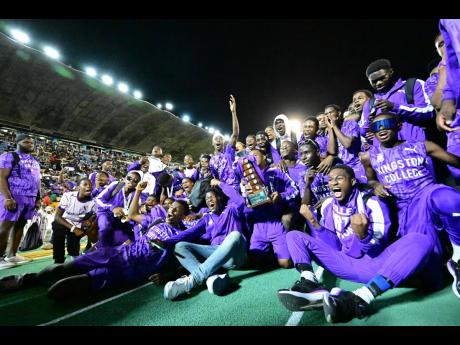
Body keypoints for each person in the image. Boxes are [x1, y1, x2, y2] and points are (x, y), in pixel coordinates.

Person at [316, 112, 460, 323]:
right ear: (371, 132)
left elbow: (456, 162)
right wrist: (377, 186)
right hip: (406, 213)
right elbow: (371, 181)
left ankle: (458, 255)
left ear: (398, 125)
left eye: (387, 123)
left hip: (427, 195)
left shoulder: (422, 146)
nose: (382, 128)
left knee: (447, 197)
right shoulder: (369, 156)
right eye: (376, 126)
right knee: (432, 280)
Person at [0, 187, 192, 299]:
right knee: (63, 268)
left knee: (57, 291)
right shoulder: (155, 221)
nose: (171, 211)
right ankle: (24, 280)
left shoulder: (183, 235)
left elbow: (185, 262)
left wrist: (167, 275)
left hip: (127, 270)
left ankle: (40, 284)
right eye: (171, 207)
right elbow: (132, 215)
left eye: (177, 210)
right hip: (114, 253)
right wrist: (138, 191)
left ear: (184, 215)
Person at [277, 165, 394, 318]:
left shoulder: (372, 203)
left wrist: (363, 236)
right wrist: (314, 222)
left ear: (352, 181)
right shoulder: (328, 205)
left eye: (339, 178)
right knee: (293, 236)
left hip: (368, 266)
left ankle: (351, 299)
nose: (334, 183)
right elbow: (335, 246)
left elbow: (376, 251)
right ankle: (310, 282)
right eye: (330, 180)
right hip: (343, 263)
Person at [162, 179, 247, 300]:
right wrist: (165, 242)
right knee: (180, 246)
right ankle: (211, 279)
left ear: (220, 198)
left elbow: (240, 200)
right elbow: (189, 233)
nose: (209, 201)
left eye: (212, 197)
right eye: (207, 199)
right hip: (216, 254)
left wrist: (220, 184)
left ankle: (191, 281)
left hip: (235, 256)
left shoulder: (231, 209)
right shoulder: (207, 218)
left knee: (235, 235)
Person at [237, 149, 298, 268]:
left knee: (285, 263)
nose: (252, 158)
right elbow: (246, 204)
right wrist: (247, 195)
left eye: (255, 155)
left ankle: (284, 250)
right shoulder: (246, 180)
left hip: (275, 223)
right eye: (249, 156)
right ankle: (273, 252)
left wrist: (281, 196)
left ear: (264, 156)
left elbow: (295, 190)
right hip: (259, 226)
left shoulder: (276, 172)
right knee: (256, 262)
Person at [361, 58, 434, 146]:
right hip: (386, 156)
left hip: (414, 149)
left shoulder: (413, 85)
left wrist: (395, 107)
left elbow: (429, 111)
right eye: (374, 81)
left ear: (391, 71)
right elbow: (363, 132)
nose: (378, 83)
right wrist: (370, 122)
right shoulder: (370, 103)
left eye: (382, 78)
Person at [0, 134, 41, 268]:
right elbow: (1, 177)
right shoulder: (9, 156)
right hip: (14, 196)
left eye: (31, 143)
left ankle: (12, 254)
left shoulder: (34, 160)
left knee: (20, 226)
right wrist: (7, 197)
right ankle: (0, 258)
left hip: (29, 198)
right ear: (17, 143)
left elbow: (37, 181)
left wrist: (38, 198)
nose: (30, 144)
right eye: (26, 142)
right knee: (5, 227)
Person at [426, 32, 460, 185]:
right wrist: (446, 69)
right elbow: (438, 103)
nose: (444, 45)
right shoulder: (436, 75)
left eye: (446, 41)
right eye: (440, 44)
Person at [94, 171, 144, 248]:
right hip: (106, 213)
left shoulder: (137, 196)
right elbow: (98, 199)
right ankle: (102, 250)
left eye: (135, 181)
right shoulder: (117, 185)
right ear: (124, 178)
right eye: (129, 178)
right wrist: (112, 207)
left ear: (137, 184)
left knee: (129, 238)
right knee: (105, 227)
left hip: (121, 219)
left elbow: (135, 214)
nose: (131, 181)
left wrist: (129, 218)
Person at [51, 178, 96, 263]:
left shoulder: (93, 201)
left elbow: (95, 213)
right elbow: (57, 217)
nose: (89, 186)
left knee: (73, 249)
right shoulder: (68, 196)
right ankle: (58, 259)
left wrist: (89, 220)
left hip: (78, 224)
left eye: (90, 185)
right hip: (64, 223)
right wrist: (73, 229)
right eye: (85, 184)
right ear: (79, 187)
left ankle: (74, 255)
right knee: (57, 226)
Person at [324, 104, 367, 183]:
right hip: (340, 170)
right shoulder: (329, 131)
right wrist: (330, 130)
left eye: (330, 113)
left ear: (339, 113)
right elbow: (332, 152)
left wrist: (334, 126)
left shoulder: (350, 123)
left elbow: (347, 144)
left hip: (356, 167)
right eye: (326, 114)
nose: (328, 116)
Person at [209, 95, 240, 190]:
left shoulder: (228, 151)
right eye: (216, 138)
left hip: (235, 188)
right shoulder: (211, 161)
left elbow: (235, 134)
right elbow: (216, 178)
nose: (218, 139)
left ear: (224, 142)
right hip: (223, 190)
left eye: (220, 138)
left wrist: (233, 112)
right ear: (212, 143)